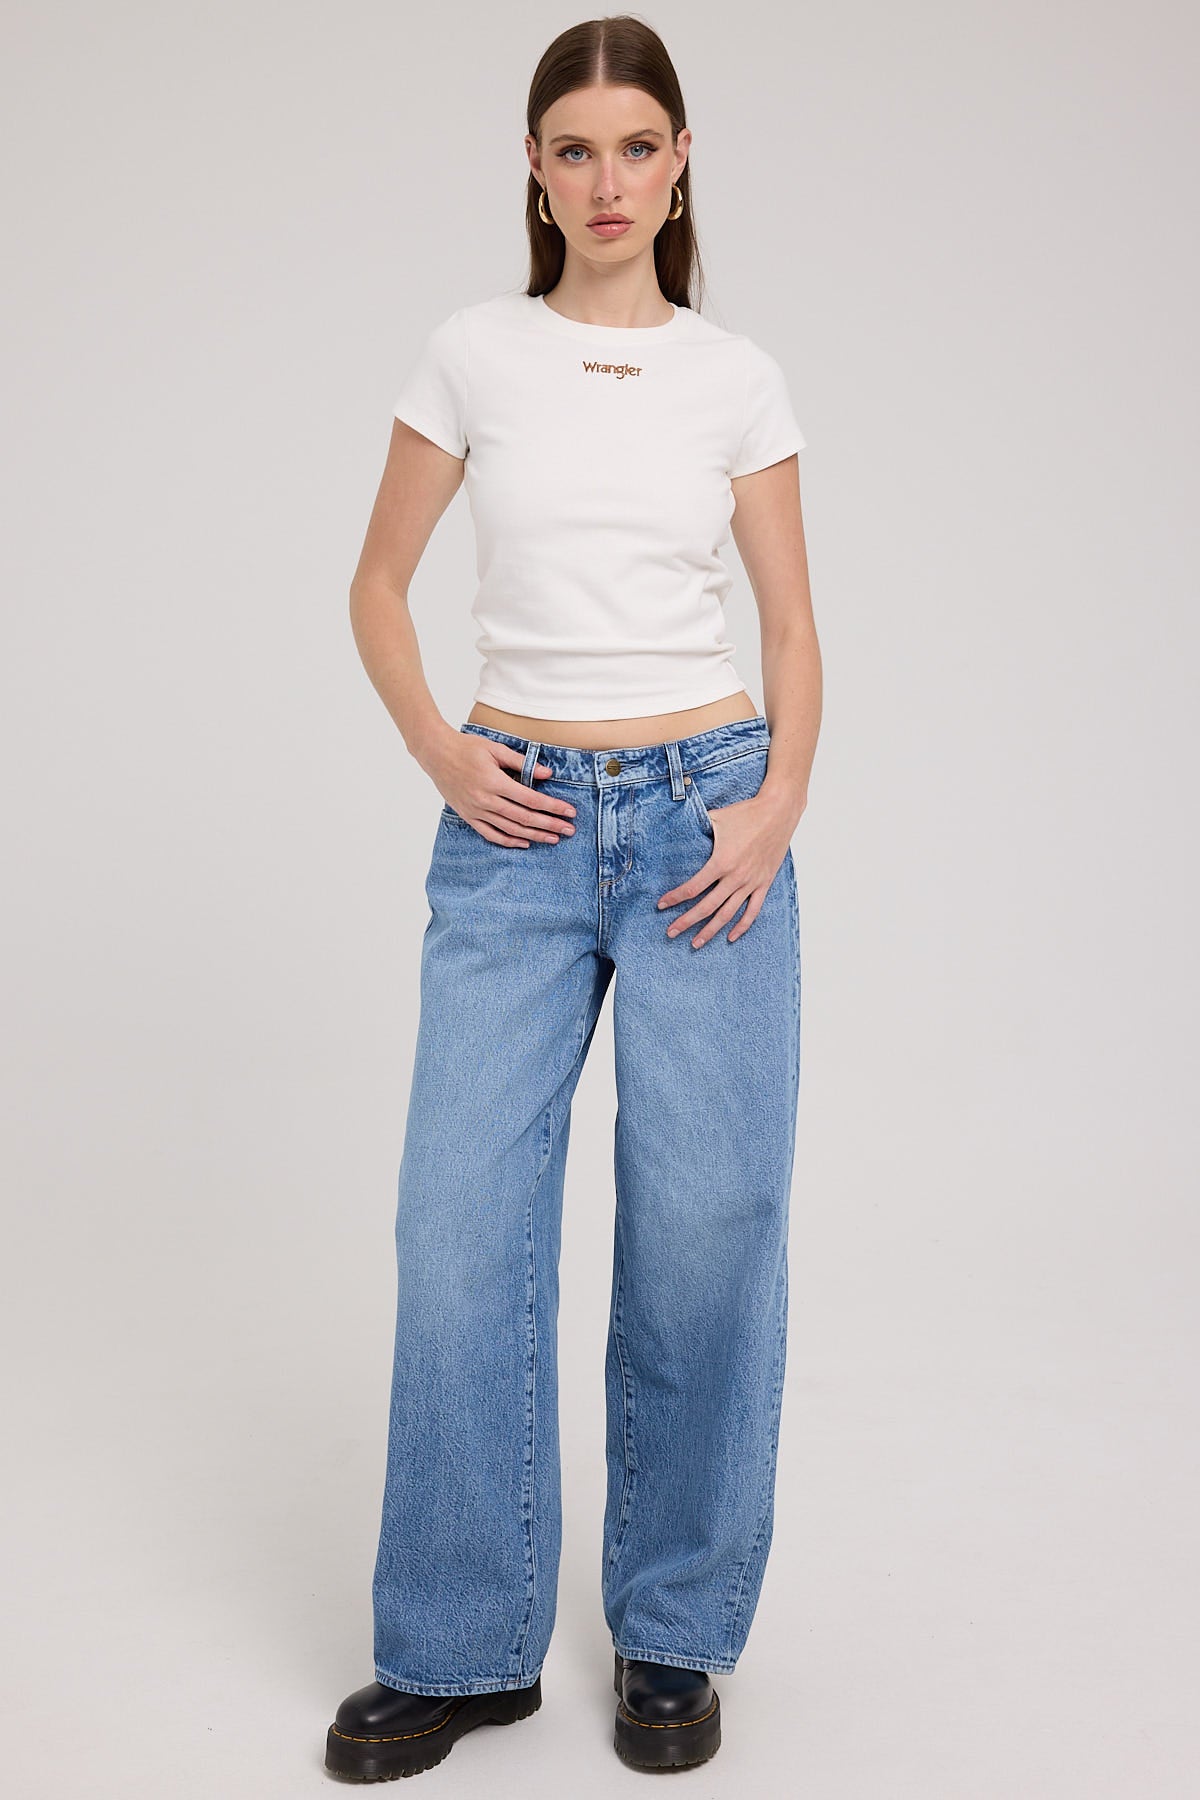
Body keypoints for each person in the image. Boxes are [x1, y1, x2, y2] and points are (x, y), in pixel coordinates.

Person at [325, 13, 821, 1781]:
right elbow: (379, 584)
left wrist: (773, 809)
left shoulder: (735, 377)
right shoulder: (473, 353)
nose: (607, 180)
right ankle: (464, 1647)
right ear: (534, 175)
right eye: (573, 149)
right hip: (516, 828)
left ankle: (673, 1633)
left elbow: (791, 628)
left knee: (710, 1223)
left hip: (702, 826)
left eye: (637, 146)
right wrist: (443, 755)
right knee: (458, 1227)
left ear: (680, 166)